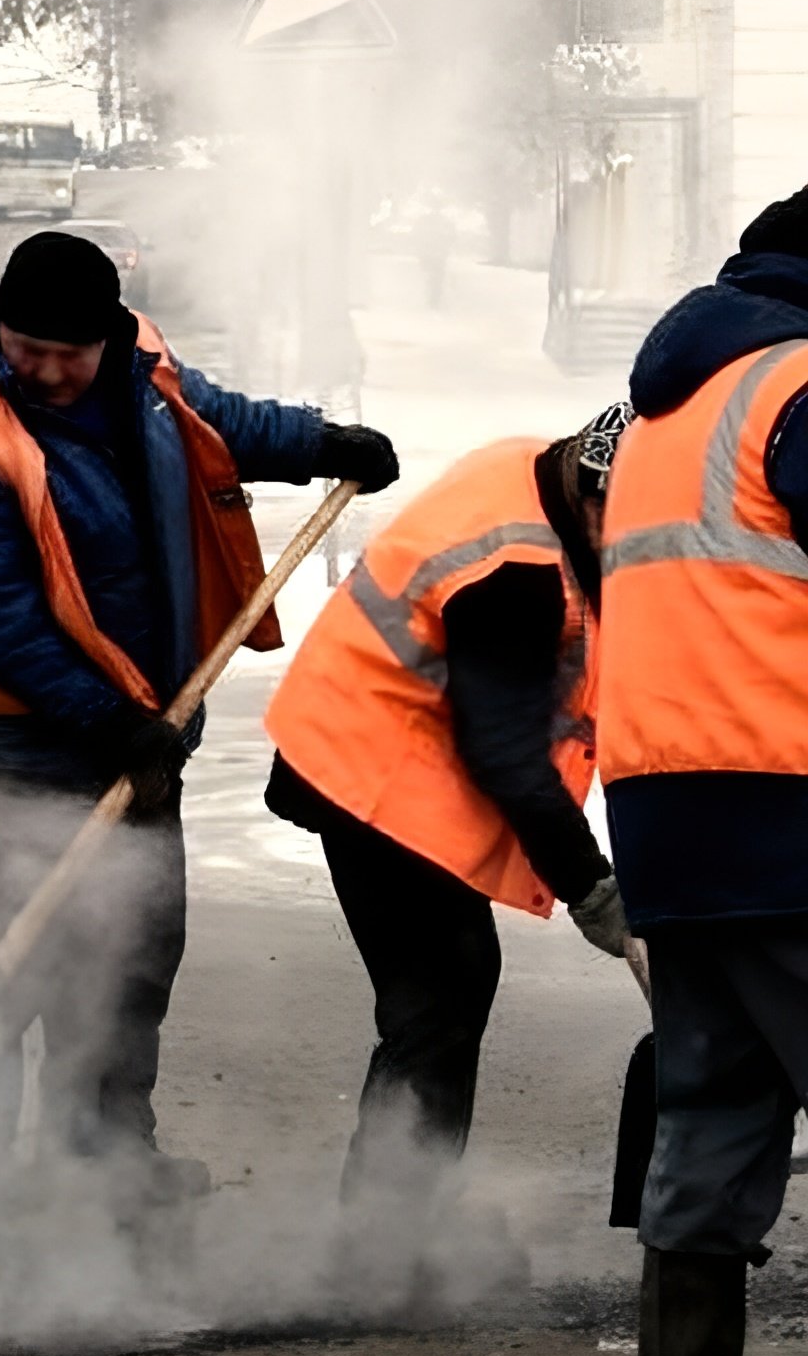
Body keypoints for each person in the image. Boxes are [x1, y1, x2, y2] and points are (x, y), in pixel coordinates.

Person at [0, 229, 399, 1194]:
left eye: (66, 356)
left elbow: (209, 420)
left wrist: (320, 443)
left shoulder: (139, 364)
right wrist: (107, 721)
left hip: (141, 718)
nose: (42, 371)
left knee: (132, 944)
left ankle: (105, 1155)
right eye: (24, 348)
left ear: (109, 339)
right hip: (5, 738)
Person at [263, 407, 637, 1206]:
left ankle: (401, 1223)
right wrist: (593, 891)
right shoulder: (519, 571)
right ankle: (386, 1244)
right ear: (590, 487)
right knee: (436, 999)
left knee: (452, 986)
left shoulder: (532, 466)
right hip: (370, 774)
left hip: (384, 749)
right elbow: (505, 752)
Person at [600, 188, 808, 1356]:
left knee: (719, 1110)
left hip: (671, 822)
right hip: (790, 809)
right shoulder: (798, 384)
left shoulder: (662, 409)